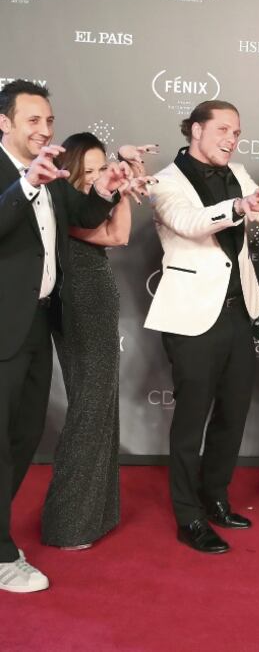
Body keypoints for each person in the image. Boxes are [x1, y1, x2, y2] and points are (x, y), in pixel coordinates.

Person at [145, 100, 259, 554]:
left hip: (238, 311)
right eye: (224, 130)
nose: (232, 139)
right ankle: (188, 516)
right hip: (192, 316)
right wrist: (238, 204)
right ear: (195, 129)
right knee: (191, 421)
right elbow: (190, 224)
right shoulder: (164, 182)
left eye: (237, 132)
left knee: (234, 413)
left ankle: (215, 496)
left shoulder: (240, 172)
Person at [0, 80, 128, 592]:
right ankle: (3, 554)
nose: (44, 130)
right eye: (33, 120)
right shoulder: (28, 176)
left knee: (25, 435)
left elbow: (85, 219)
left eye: (49, 120)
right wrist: (27, 183)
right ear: (4, 122)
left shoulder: (51, 174)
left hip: (33, 324)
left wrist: (103, 189)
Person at [42, 133, 150, 550]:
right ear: (66, 173)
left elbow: (120, 229)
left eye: (98, 170)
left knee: (101, 406)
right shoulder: (61, 208)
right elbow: (114, 237)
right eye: (85, 172)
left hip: (98, 299)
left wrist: (118, 184)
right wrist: (113, 190)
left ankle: (95, 516)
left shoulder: (95, 202)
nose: (93, 180)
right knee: (89, 409)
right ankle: (66, 524)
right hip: (77, 302)